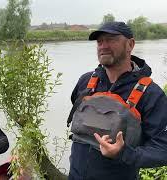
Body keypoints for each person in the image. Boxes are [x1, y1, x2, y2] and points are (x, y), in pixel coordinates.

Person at [67, 21, 167, 179]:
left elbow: (163, 148)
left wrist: (124, 153)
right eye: (100, 41)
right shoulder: (85, 82)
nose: (103, 46)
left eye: (111, 39)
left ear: (130, 44)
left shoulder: (151, 94)